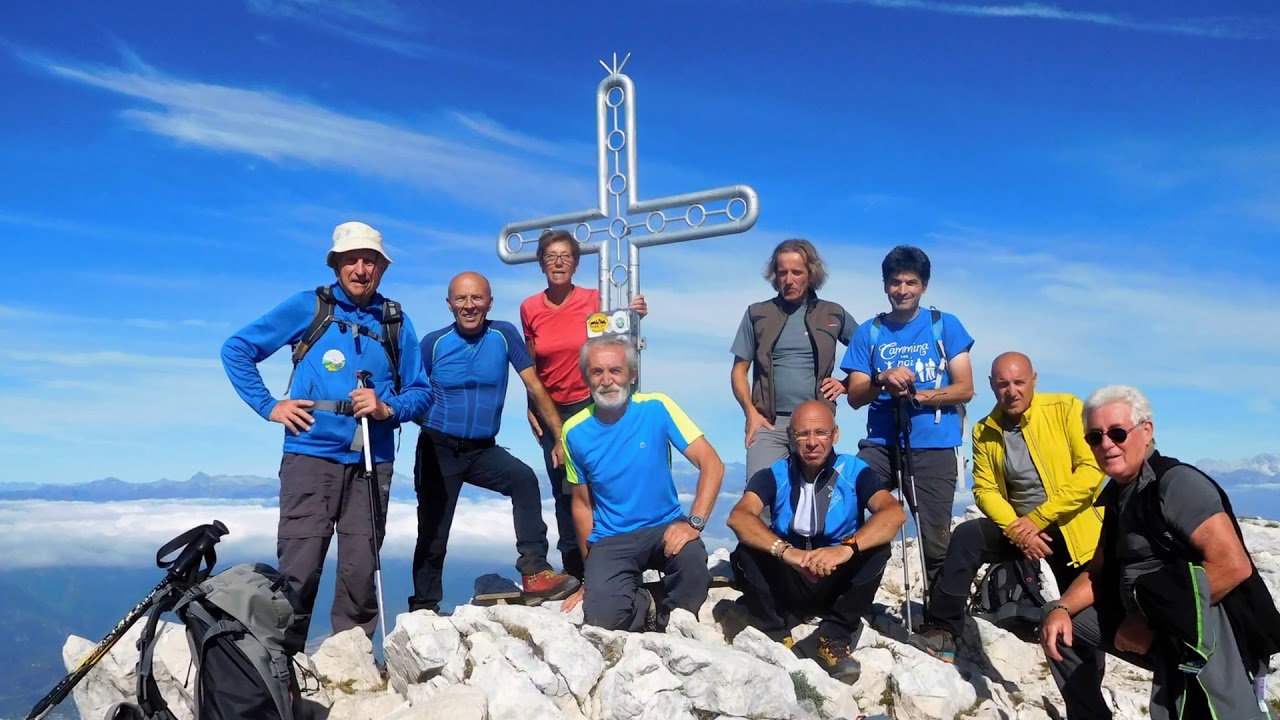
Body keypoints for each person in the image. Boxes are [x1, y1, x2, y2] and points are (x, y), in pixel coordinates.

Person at [220, 221, 430, 638]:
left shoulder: (395, 321)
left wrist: (387, 407)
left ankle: (349, 661)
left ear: (382, 268)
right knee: (299, 566)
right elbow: (237, 349)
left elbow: (422, 393)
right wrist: (269, 406)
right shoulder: (309, 308)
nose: (360, 269)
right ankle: (284, 665)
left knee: (360, 567)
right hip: (310, 455)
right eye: (350, 259)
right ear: (335, 265)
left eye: (369, 260)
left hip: (373, 458)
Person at [1040, 385, 1280, 719]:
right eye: (1095, 437)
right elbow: (1098, 573)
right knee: (1060, 623)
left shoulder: (1177, 484)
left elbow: (1233, 566)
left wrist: (1152, 624)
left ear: (1146, 431)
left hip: (1198, 630)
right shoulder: (1119, 496)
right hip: (1143, 625)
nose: (1107, 444)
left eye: (1118, 433)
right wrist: (1061, 608)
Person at [908, 352, 1104, 663]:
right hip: (1021, 528)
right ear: (991, 386)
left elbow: (1091, 471)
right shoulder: (985, 430)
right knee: (968, 537)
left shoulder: (1065, 409)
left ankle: (1085, 687)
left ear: (1034, 380)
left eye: (1018, 382)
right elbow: (985, 490)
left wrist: (1038, 519)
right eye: (1002, 384)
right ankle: (941, 630)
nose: (1011, 391)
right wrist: (1018, 529)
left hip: (1070, 528)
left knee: (1079, 620)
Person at [407, 271, 579, 613]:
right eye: (461, 299)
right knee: (434, 529)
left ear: (489, 301)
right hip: (438, 448)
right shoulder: (433, 343)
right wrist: (428, 422)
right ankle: (424, 607)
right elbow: (410, 392)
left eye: (476, 298)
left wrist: (560, 436)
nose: (469, 306)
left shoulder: (504, 335)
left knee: (524, 479)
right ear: (449, 304)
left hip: (483, 448)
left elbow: (534, 385)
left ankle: (535, 573)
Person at [727, 400, 906, 682]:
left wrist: (846, 550)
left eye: (820, 433)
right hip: (791, 577)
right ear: (790, 438)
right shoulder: (775, 474)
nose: (812, 442)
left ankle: (833, 636)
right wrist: (786, 552)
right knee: (746, 552)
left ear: (835, 435)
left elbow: (893, 513)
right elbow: (739, 517)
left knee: (877, 550)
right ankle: (775, 635)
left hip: (836, 579)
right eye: (803, 434)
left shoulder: (855, 471)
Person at [559, 335, 724, 632]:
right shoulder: (574, 431)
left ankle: (672, 624)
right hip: (612, 537)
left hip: (665, 525)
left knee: (692, 563)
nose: (607, 380)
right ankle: (646, 603)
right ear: (586, 378)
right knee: (602, 620)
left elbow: (711, 463)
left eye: (616, 370)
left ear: (632, 375)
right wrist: (591, 575)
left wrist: (694, 523)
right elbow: (583, 505)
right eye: (597, 372)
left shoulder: (657, 407)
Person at [841, 244, 974, 591]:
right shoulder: (869, 332)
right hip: (882, 444)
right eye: (896, 282)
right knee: (845, 497)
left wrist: (917, 396)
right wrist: (882, 380)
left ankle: (942, 622)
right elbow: (855, 395)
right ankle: (840, 589)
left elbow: (965, 388)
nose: (902, 290)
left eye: (911, 283)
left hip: (935, 446)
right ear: (885, 285)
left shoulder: (944, 326)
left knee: (935, 538)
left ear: (924, 286)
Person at [520, 229, 647, 581]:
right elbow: (531, 361)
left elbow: (619, 334)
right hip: (551, 408)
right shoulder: (530, 307)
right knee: (563, 486)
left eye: (565, 256)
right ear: (541, 263)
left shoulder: (595, 299)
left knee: (601, 482)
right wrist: (530, 405)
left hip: (592, 405)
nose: (558, 263)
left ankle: (613, 560)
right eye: (550, 256)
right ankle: (575, 567)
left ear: (576, 263)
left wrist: (635, 314)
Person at [730, 239, 857, 484]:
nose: (789, 279)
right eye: (782, 272)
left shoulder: (833, 313)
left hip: (817, 427)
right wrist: (750, 413)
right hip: (769, 424)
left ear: (811, 274)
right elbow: (739, 370)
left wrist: (847, 383)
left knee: (818, 499)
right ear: (775, 276)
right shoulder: (757, 314)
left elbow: (868, 353)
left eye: (797, 272)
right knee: (758, 500)